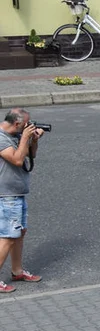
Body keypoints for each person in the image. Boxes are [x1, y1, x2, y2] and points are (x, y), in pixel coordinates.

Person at [0, 109, 45, 294]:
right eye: (26, 124)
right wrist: (25, 138)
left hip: (17, 193)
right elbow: (17, 160)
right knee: (9, 236)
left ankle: (17, 271)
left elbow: (29, 156)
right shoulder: (1, 138)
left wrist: (33, 140)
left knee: (18, 233)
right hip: (6, 196)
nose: (28, 126)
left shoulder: (17, 134)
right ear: (17, 123)